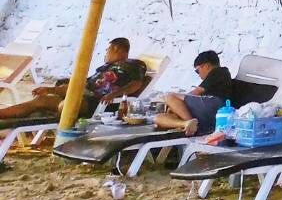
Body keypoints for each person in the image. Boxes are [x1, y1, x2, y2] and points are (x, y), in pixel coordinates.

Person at [0, 36, 146, 121]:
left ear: (115, 49)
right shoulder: (108, 67)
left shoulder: (133, 65)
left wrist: (113, 95)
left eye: (107, 50)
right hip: (82, 95)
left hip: (97, 103)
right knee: (41, 100)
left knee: (66, 103)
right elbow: (85, 84)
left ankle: (55, 107)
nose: (106, 54)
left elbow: (136, 84)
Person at [154, 50, 233, 135]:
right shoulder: (221, 76)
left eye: (197, 71)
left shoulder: (219, 72)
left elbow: (195, 93)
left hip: (216, 105)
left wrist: (174, 104)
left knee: (170, 96)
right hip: (210, 110)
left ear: (206, 66)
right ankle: (187, 124)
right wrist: (176, 107)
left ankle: (192, 124)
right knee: (158, 118)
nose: (199, 75)